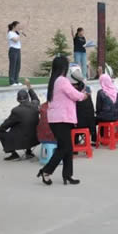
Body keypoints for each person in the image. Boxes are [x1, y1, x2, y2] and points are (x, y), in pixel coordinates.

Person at [38, 56, 87, 186]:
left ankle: (68, 175)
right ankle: (46, 171)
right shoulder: (62, 80)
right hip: (61, 119)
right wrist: (83, 95)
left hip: (58, 119)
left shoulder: (54, 80)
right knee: (63, 148)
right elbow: (74, 95)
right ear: (64, 68)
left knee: (68, 148)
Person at [0, 80, 40, 160]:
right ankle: (28, 152)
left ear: (18, 100)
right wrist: (29, 87)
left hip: (23, 140)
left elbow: (6, 125)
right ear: (28, 98)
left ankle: (14, 154)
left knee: (1, 133)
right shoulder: (35, 105)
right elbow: (35, 98)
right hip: (36, 138)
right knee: (26, 126)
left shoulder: (16, 111)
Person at [70, 67, 96, 146]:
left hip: (78, 125)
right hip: (90, 124)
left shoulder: (72, 92)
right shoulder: (87, 89)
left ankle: (75, 143)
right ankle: (94, 140)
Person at [7, 21, 23, 85]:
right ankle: (12, 82)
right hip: (13, 50)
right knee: (13, 66)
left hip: (18, 50)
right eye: (17, 26)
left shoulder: (16, 33)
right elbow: (15, 40)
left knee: (18, 66)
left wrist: (19, 34)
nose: (19, 27)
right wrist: (19, 34)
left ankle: (16, 80)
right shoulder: (10, 33)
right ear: (14, 26)